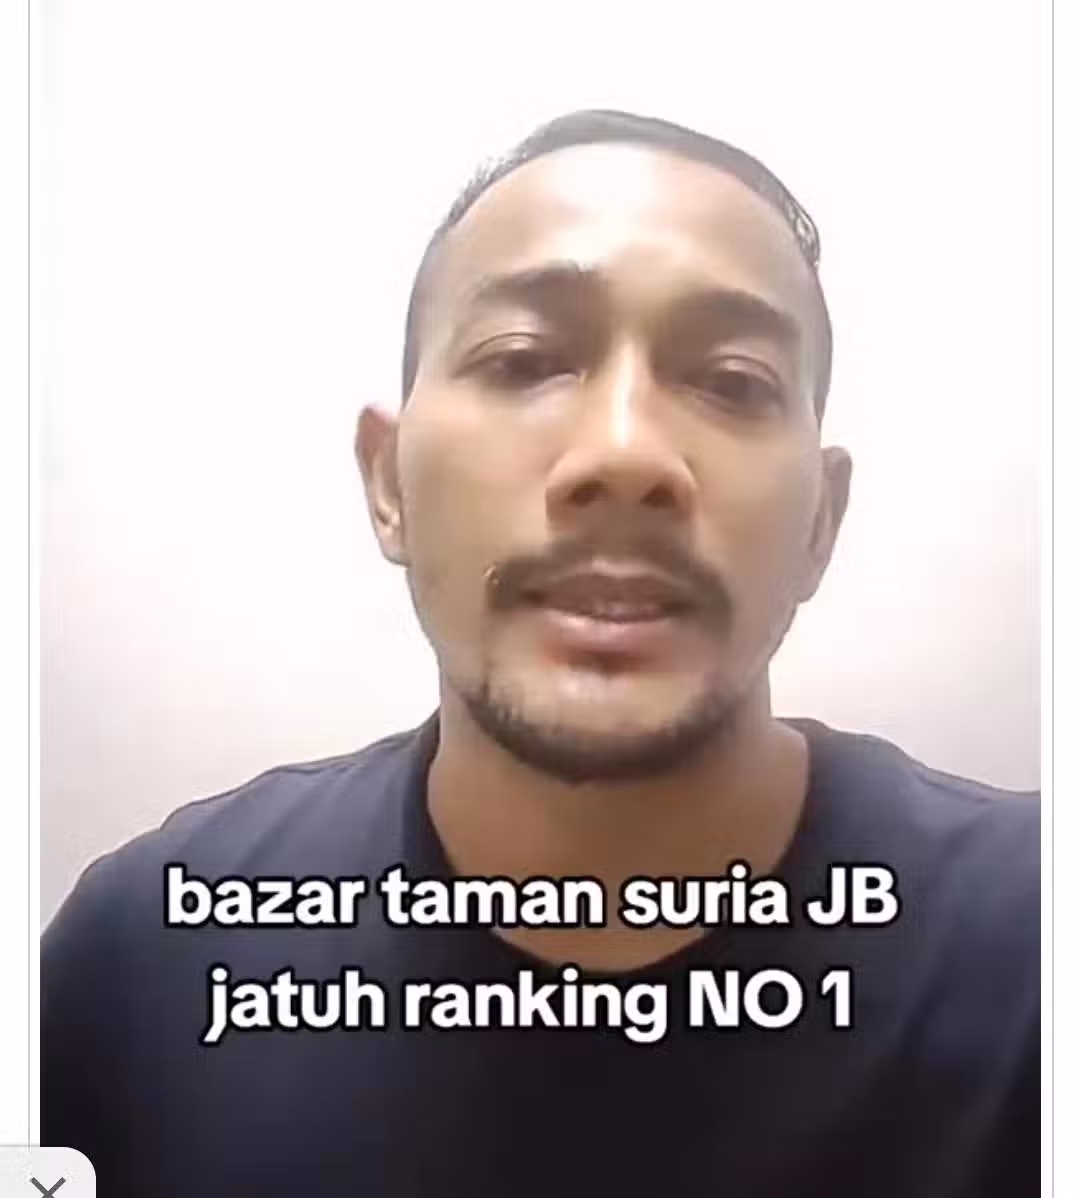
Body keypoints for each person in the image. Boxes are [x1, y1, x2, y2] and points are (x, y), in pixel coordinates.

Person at [41, 109, 1039, 1197]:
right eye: (523, 360)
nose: (624, 453)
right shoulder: (145, 962)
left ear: (820, 525)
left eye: (733, 380)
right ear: (388, 483)